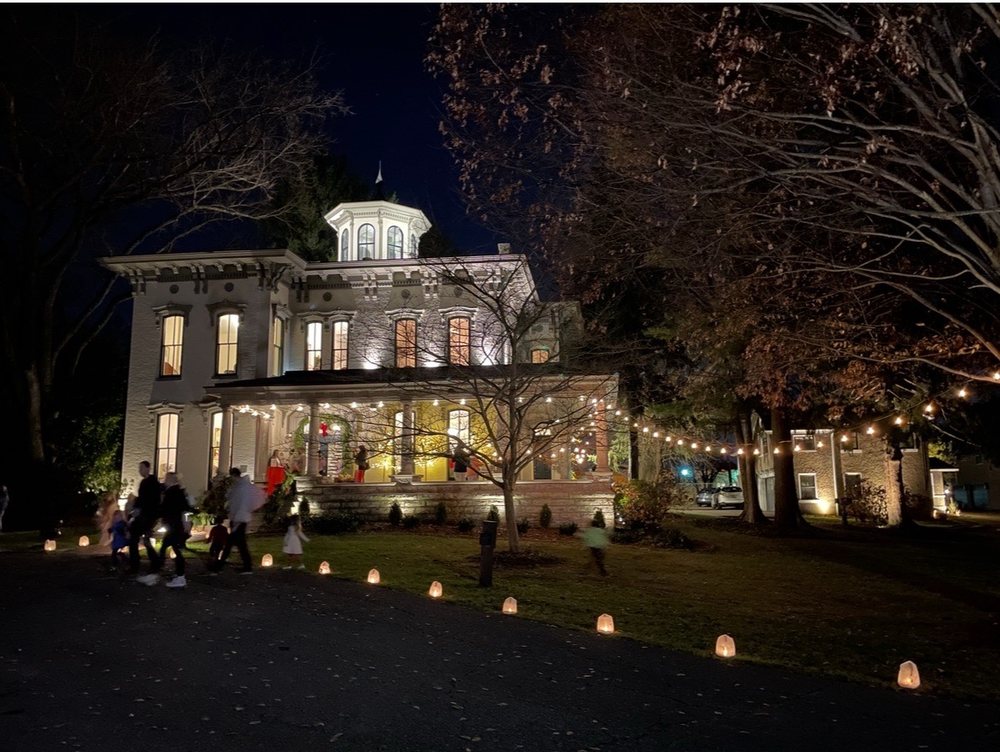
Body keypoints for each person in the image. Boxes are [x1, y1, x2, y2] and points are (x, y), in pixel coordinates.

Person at [150, 472, 194, 588]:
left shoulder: (173, 492)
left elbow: (171, 510)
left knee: (174, 550)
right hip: (175, 526)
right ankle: (166, 572)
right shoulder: (176, 491)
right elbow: (185, 509)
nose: (164, 481)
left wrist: (186, 523)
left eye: (166, 478)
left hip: (174, 527)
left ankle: (179, 576)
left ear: (170, 480)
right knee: (168, 548)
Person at [219, 468, 264, 574]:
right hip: (239, 519)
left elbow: (240, 504)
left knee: (234, 544)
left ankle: (220, 565)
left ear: (234, 475)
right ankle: (244, 566)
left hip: (239, 520)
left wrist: (237, 519)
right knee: (238, 544)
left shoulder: (242, 488)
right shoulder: (241, 487)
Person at [128, 461, 162, 577]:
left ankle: (138, 564)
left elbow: (152, 500)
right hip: (143, 515)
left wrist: (140, 508)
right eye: (139, 468)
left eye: (142, 468)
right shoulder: (144, 482)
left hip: (148, 516)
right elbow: (142, 499)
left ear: (148, 468)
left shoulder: (153, 483)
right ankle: (153, 562)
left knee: (136, 537)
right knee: (140, 538)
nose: (140, 470)